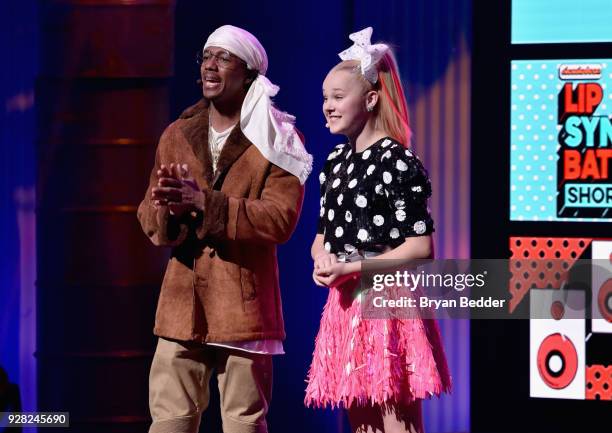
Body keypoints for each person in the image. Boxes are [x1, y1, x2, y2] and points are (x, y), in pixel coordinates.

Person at [137, 24, 311, 433]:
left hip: (243, 307)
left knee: (243, 424)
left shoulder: (279, 139)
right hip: (182, 307)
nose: (211, 66)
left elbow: (279, 220)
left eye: (223, 58)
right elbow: (150, 219)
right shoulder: (178, 134)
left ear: (249, 72)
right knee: (169, 421)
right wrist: (166, 208)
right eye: (206, 57)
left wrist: (205, 203)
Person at [304, 27, 451, 433]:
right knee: (362, 424)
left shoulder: (396, 160)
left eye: (337, 97)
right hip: (347, 303)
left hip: (387, 303)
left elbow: (421, 248)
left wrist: (353, 268)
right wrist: (323, 258)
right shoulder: (335, 161)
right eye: (325, 98)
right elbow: (323, 235)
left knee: (395, 422)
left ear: (370, 99)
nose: (327, 107)